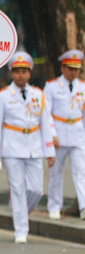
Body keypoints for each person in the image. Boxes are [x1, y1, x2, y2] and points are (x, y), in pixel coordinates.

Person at [0, 51, 55, 243]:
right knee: (17, 189)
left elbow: (45, 123)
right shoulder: (2, 96)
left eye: (24, 71)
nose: (20, 75)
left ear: (30, 73)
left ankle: (19, 210)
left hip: (34, 147)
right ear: (11, 73)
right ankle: (21, 230)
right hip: (12, 148)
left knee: (36, 190)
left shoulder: (38, 94)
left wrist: (49, 151)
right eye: (17, 71)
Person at [44, 49, 85, 220]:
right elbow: (46, 113)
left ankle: (83, 206)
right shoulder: (52, 86)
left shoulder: (82, 87)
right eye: (70, 68)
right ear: (63, 68)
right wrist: (51, 134)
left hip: (77, 134)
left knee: (81, 172)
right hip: (58, 134)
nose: (73, 72)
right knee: (56, 173)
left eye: (76, 69)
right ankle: (54, 206)